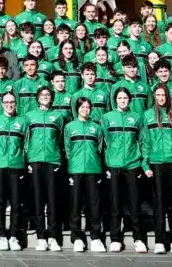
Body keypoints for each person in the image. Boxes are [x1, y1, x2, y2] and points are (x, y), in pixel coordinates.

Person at [101, 87, 147, 253]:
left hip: (133, 164)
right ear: (115, 100)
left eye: (125, 98)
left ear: (129, 99)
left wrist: (142, 162)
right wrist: (106, 164)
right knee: (115, 204)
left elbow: (142, 140)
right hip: (114, 165)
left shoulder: (137, 117)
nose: (122, 100)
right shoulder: (107, 118)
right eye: (120, 98)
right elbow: (104, 142)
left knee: (134, 204)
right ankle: (115, 239)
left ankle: (139, 239)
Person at [142, 83, 172, 255]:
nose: (161, 98)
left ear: (168, 96)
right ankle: (159, 241)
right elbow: (145, 140)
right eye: (158, 95)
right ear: (154, 96)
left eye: (163, 95)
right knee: (159, 203)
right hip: (156, 163)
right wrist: (145, 163)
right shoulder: (147, 115)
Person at [25, 86, 65, 252]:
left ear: (52, 97)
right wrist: (27, 160)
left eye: (48, 94)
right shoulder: (29, 116)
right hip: (35, 161)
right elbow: (26, 139)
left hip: (52, 161)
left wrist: (59, 162)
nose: (45, 97)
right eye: (42, 95)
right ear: (37, 97)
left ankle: (53, 237)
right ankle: (41, 237)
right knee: (38, 200)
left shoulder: (58, 117)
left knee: (52, 201)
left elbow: (61, 140)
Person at [0, 91, 27, 252]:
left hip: (16, 166)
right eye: (6, 102)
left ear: (15, 103)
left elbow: (26, 144)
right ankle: (2, 236)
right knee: (0, 202)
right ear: (2, 104)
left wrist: (21, 160)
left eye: (12, 102)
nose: (10, 104)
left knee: (16, 203)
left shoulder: (22, 122)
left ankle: (14, 236)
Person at [65, 97, 106, 253]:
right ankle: (76, 238)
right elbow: (67, 148)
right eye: (82, 107)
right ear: (77, 108)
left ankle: (95, 238)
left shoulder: (97, 128)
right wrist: (70, 165)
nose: (85, 110)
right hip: (75, 170)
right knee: (75, 205)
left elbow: (100, 148)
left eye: (88, 107)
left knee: (94, 205)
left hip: (93, 169)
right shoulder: (69, 127)